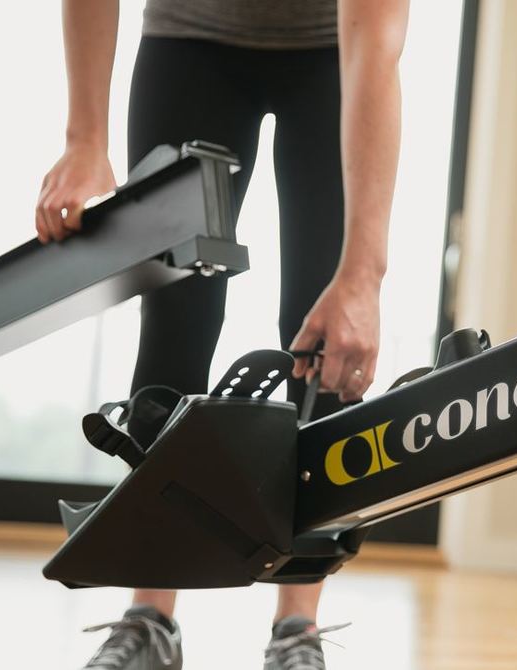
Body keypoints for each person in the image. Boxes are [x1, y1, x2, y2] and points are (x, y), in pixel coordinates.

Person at [34, 1, 410, 668]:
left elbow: (376, 44)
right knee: (176, 317)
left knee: (323, 334)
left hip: (331, 51)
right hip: (189, 37)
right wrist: (84, 137)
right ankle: (151, 618)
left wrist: (364, 276)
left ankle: (297, 628)